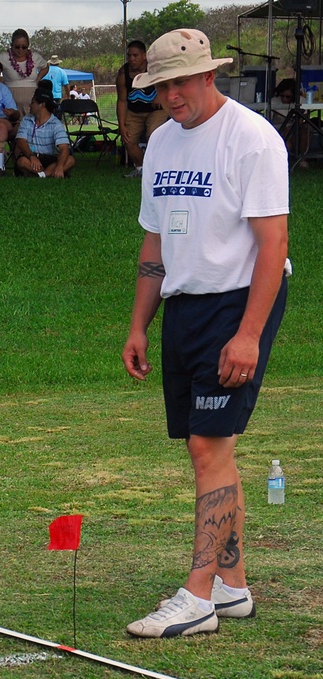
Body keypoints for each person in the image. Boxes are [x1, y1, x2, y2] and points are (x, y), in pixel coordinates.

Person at [120, 30, 290, 639]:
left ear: (208, 75)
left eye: (179, 81)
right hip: (185, 306)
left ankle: (197, 597)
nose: (170, 95)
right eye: (160, 85)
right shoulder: (162, 144)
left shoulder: (253, 140)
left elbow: (273, 245)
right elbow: (155, 240)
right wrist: (140, 323)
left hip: (240, 302)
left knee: (207, 448)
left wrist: (249, 334)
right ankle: (232, 585)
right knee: (212, 448)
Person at [117, 39, 169, 178]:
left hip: (156, 111)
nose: (131, 59)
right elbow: (122, 101)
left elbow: (169, 84)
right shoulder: (123, 74)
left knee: (153, 135)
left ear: (144, 56)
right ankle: (141, 169)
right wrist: (121, 125)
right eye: (129, 56)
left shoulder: (155, 68)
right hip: (134, 112)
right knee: (128, 140)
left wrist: (159, 94)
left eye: (135, 55)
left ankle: (157, 169)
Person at [14, 91, 74, 178]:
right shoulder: (26, 120)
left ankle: (41, 174)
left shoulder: (56, 124)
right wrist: (31, 156)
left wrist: (60, 166)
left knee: (70, 160)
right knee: (22, 161)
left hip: (49, 158)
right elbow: (20, 141)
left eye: (33, 103)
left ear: (42, 104)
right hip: (31, 156)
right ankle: (49, 173)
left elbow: (64, 148)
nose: (30, 105)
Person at [0, 28, 47, 115]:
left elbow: (45, 67)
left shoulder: (35, 57)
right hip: (10, 99)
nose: (20, 50)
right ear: (11, 45)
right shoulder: (3, 57)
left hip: (31, 101)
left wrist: (37, 80)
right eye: (17, 46)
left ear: (28, 46)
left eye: (24, 47)